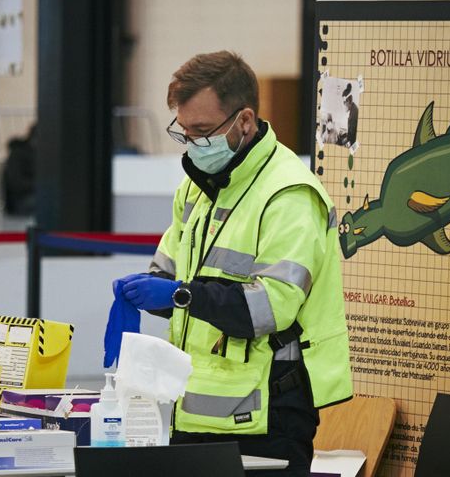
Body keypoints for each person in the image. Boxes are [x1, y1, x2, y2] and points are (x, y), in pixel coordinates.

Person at [114, 50, 352, 476]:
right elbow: (168, 275)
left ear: (244, 121)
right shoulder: (198, 189)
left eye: (202, 131)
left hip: (267, 415)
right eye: (183, 131)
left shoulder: (289, 195)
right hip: (196, 409)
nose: (192, 144)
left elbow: (269, 308)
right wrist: (145, 290)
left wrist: (180, 294)